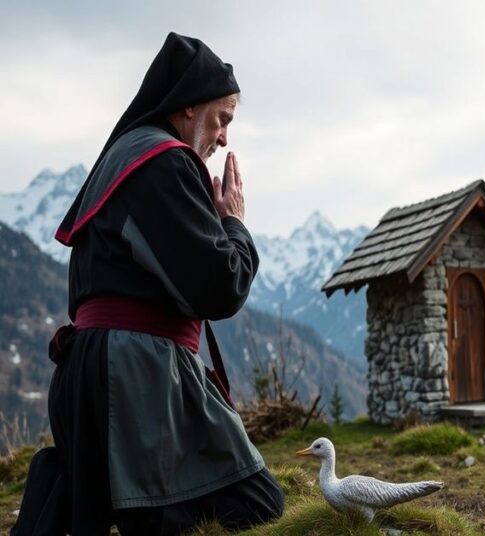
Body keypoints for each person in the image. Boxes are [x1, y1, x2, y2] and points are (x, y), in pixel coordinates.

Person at [12, 32, 283, 535]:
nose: (224, 137)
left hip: (92, 369)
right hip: (136, 378)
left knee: (121, 509)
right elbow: (220, 287)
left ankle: (70, 493)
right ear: (188, 108)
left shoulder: (124, 156)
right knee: (258, 503)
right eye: (222, 118)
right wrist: (234, 224)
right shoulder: (165, 161)